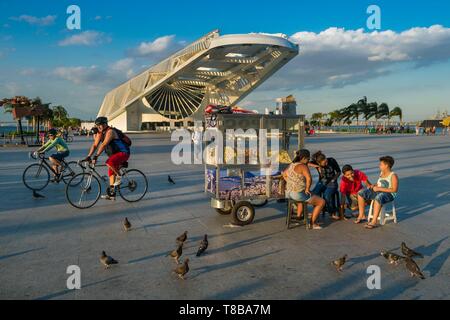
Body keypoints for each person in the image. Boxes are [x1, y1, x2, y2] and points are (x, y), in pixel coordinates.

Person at [84, 117, 131, 200]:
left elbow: (104, 144)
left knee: (109, 162)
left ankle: (119, 177)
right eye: (97, 125)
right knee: (111, 173)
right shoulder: (100, 133)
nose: (98, 127)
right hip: (115, 155)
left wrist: (96, 156)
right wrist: (88, 156)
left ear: (105, 124)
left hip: (123, 153)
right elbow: (95, 145)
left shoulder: (110, 131)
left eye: (100, 125)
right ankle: (112, 195)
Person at [283, 149, 326, 230]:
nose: (308, 161)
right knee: (321, 202)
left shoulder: (292, 164)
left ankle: (300, 217)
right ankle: (313, 223)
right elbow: (309, 179)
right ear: (303, 158)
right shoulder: (303, 166)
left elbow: (284, 174)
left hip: (289, 193)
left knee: (312, 195)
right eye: (308, 159)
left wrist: (291, 183)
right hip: (298, 194)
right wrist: (307, 189)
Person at [357, 156, 399, 229]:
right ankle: (362, 215)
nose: (379, 165)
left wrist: (379, 188)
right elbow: (379, 183)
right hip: (379, 191)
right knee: (361, 192)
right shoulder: (382, 173)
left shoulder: (393, 175)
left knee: (379, 197)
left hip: (389, 195)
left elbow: (394, 190)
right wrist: (374, 185)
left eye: (381, 164)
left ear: (386, 165)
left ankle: (374, 221)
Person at [309, 151, 341, 220]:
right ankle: (317, 210)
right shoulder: (316, 163)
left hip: (332, 183)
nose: (326, 163)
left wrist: (334, 179)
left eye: (326, 161)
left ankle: (331, 212)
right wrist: (317, 166)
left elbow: (339, 171)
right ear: (319, 163)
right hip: (322, 182)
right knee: (314, 194)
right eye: (324, 163)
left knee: (326, 196)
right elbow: (306, 163)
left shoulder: (332, 160)